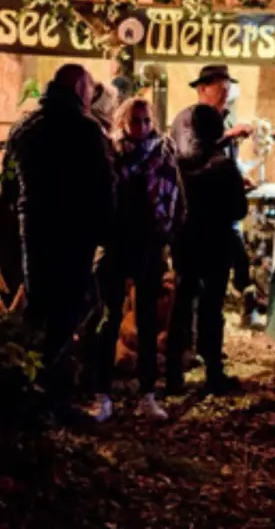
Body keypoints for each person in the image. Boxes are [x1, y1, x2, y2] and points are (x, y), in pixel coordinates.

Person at [0, 64, 114, 421]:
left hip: (32, 231)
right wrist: (105, 232)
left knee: (39, 308)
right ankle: (55, 399)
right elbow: (102, 186)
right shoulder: (86, 130)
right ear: (80, 88)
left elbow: (8, 184)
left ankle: (28, 390)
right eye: (90, 90)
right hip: (73, 233)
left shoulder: (24, 129)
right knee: (70, 311)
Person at [89, 98, 182, 424]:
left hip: (148, 244)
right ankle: (102, 393)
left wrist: (165, 236)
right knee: (108, 318)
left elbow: (175, 199)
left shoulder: (162, 156)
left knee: (146, 322)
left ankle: (147, 394)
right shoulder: (111, 155)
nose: (140, 127)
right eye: (134, 120)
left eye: (145, 120)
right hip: (115, 245)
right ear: (122, 121)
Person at [165, 102, 248, 396]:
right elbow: (239, 209)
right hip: (216, 243)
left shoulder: (178, 164)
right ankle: (213, 372)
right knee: (212, 307)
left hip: (185, 241)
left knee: (182, 304)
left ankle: (173, 373)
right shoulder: (223, 165)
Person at [170, 64, 257, 326]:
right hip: (193, 220)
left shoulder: (222, 118)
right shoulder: (188, 118)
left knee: (215, 292)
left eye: (228, 89)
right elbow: (190, 158)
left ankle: (210, 355)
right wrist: (227, 138)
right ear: (202, 88)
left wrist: (235, 177)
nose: (225, 94)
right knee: (189, 289)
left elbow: (216, 162)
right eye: (221, 89)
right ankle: (182, 350)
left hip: (218, 220)